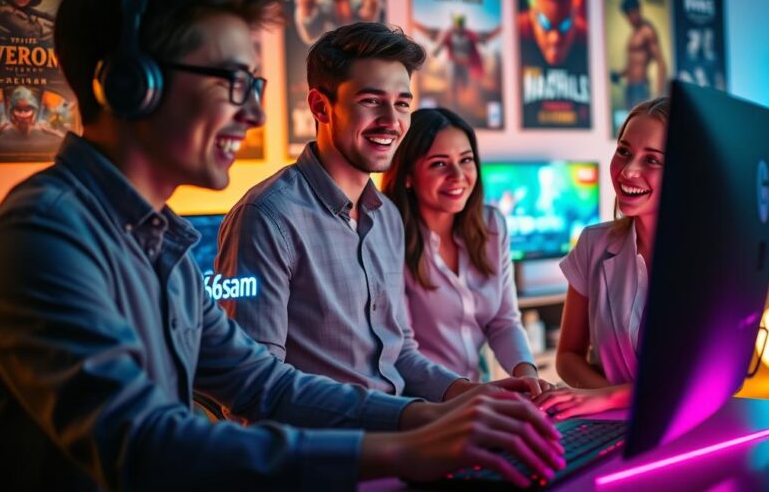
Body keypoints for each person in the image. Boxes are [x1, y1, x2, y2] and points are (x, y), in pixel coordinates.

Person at [0, 0, 562, 491]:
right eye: (232, 81)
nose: (252, 113)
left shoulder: (158, 236)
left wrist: (443, 410)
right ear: (132, 82)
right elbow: (143, 445)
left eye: (254, 85)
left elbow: (259, 382)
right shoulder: (46, 233)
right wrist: (409, 447)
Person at [218, 22, 536, 403]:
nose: (392, 120)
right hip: (332, 454)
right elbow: (255, 388)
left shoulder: (385, 216)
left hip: (404, 436)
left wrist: (473, 394)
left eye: (402, 103)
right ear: (321, 106)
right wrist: (410, 419)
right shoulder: (267, 217)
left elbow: (399, 352)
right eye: (371, 101)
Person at [381, 108, 545, 387]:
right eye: (439, 164)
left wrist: (529, 379)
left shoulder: (492, 225)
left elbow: (503, 321)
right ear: (408, 176)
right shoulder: (387, 237)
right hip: (419, 404)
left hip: (476, 390)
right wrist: (470, 395)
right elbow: (401, 352)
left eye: (466, 160)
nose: (458, 176)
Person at [534, 98, 670, 420]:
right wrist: (603, 399)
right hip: (611, 425)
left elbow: (706, 379)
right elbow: (567, 356)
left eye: (652, 160)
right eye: (624, 151)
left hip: (683, 428)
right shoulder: (593, 243)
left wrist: (609, 398)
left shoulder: (709, 260)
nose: (629, 170)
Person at [610, 0, 667, 109]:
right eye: (627, 15)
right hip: (630, 87)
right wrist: (619, 74)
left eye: (632, 13)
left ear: (638, 10)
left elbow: (661, 63)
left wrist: (659, 95)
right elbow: (632, 64)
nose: (630, 18)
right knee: (630, 123)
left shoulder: (647, 31)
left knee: (640, 124)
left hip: (640, 88)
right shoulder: (633, 34)